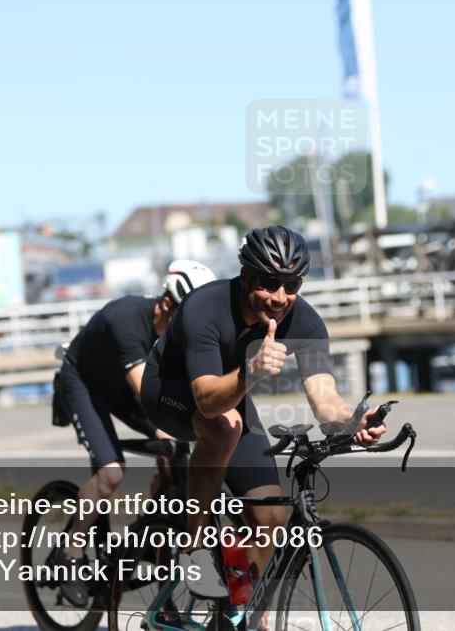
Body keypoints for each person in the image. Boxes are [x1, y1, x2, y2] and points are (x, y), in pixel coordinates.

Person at [141, 226, 385, 600]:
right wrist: (251, 371)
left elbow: (325, 400)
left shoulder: (303, 322)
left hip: (232, 394)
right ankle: (194, 551)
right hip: (169, 390)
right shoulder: (205, 308)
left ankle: (243, 611)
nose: (280, 297)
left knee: (270, 517)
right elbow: (206, 399)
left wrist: (353, 421)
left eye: (291, 285)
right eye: (270, 283)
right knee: (224, 427)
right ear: (245, 276)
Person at [54, 259, 216, 606]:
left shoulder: (182, 336)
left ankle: (149, 533)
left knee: (174, 448)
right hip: (84, 383)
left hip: (122, 389)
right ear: (167, 303)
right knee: (111, 473)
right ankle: (68, 554)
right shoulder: (126, 317)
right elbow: (149, 395)